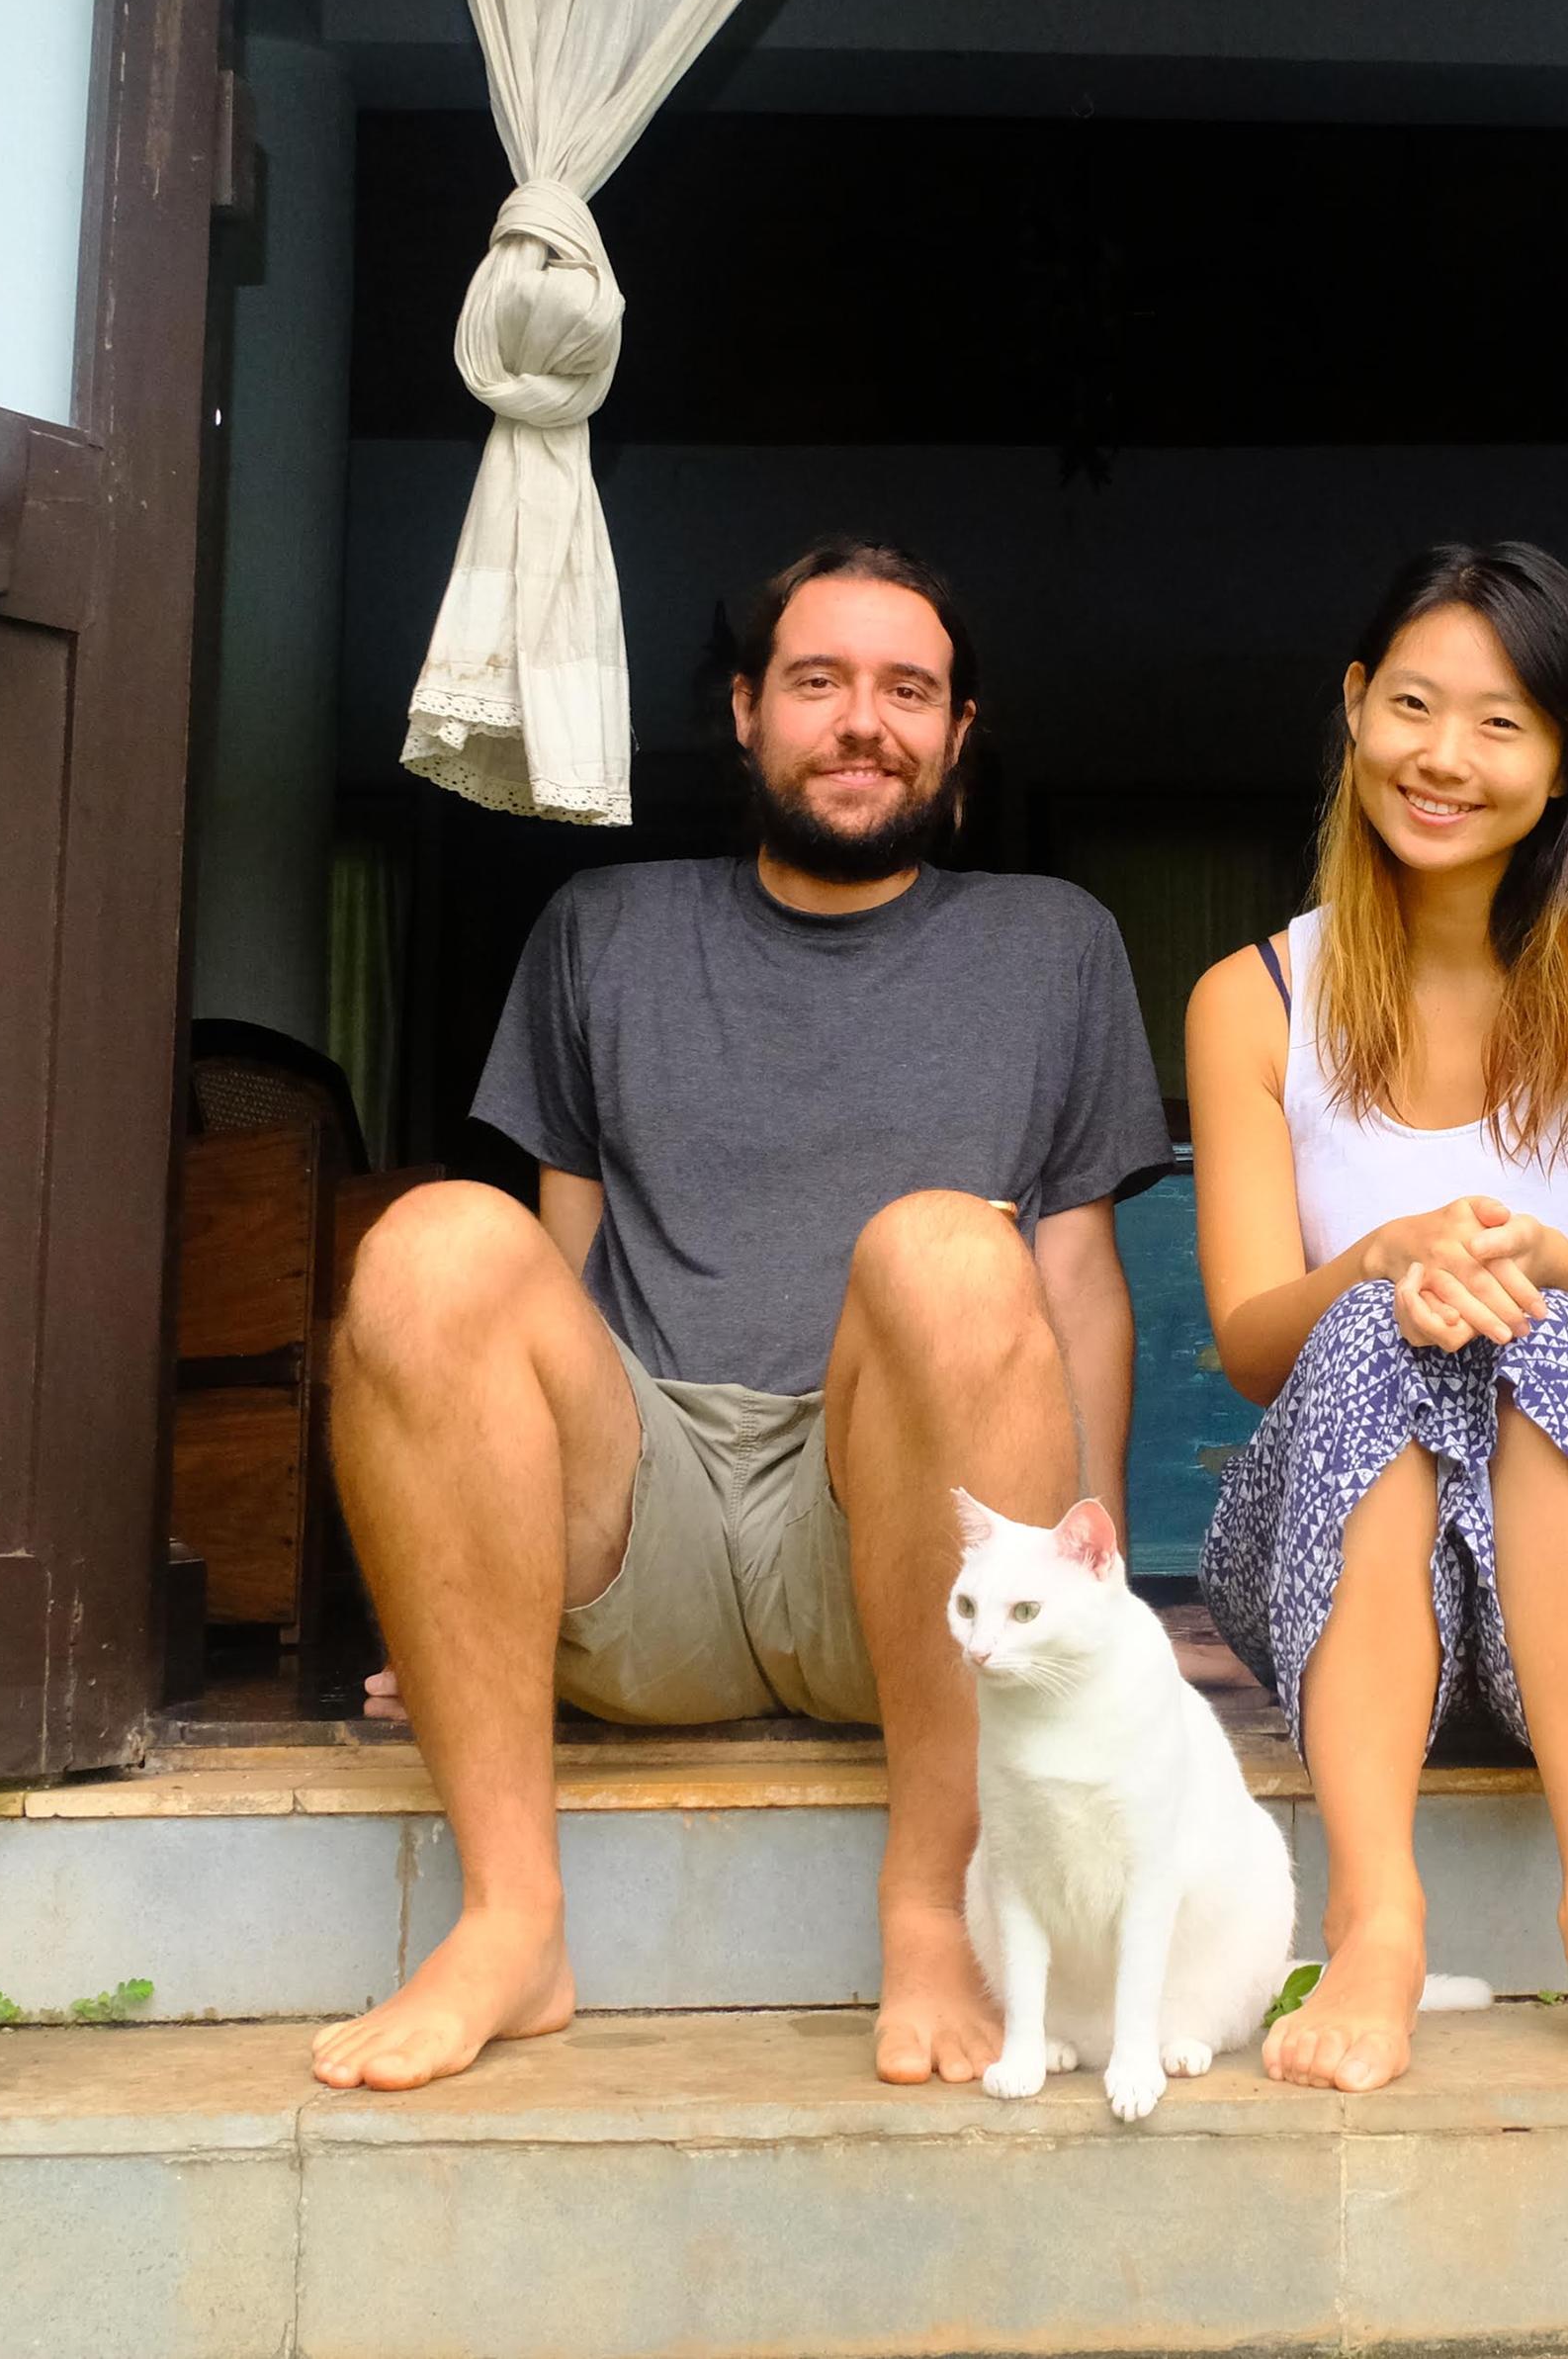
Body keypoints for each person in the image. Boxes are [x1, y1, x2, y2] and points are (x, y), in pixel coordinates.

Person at [310, 539, 1174, 2093]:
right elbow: (545, 1291)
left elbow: (1077, 1289)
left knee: (949, 1244)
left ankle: (932, 1911)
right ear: (744, 711)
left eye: (907, 689)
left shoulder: (1055, 944)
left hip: (914, 1548)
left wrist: (1108, 1598)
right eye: (818, 681)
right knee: (435, 1240)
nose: (863, 721)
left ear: (960, 730)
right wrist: (468, 1598)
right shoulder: (605, 929)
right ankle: (515, 1921)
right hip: (656, 1527)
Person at [1187, 541, 1568, 2100]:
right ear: (1354, 710)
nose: (1445, 757)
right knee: (1375, 1325)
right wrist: (1378, 1257)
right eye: (1412, 705)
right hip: (1343, 1583)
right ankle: (1375, 1920)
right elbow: (1255, 1340)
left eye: (1503, 721)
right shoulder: (1252, 998)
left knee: (1551, 1331)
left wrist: (1551, 1271)